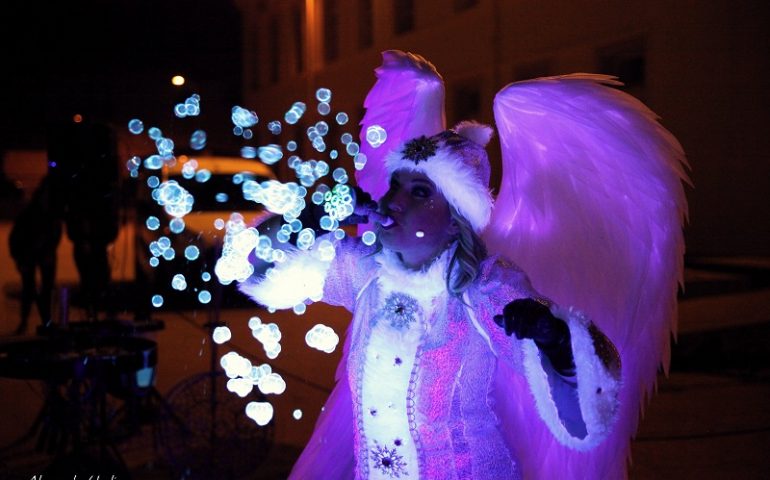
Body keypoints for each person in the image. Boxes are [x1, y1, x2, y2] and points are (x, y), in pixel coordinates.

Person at [236, 51, 687, 479]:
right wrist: (305, 221)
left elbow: (582, 410)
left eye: (419, 192)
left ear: (455, 219)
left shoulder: (484, 288)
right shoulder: (363, 271)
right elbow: (253, 268)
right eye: (396, 185)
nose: (392, 199)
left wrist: (554, 341)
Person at [9, 175, 63, 334]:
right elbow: (17, 237)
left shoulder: (49, 214)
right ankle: (32, 321)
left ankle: (45, 320)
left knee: (45, 289)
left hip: (42, 253)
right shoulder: (32, 213)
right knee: (30, 288)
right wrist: (21, 258)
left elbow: (55, 235)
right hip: (31, 253)